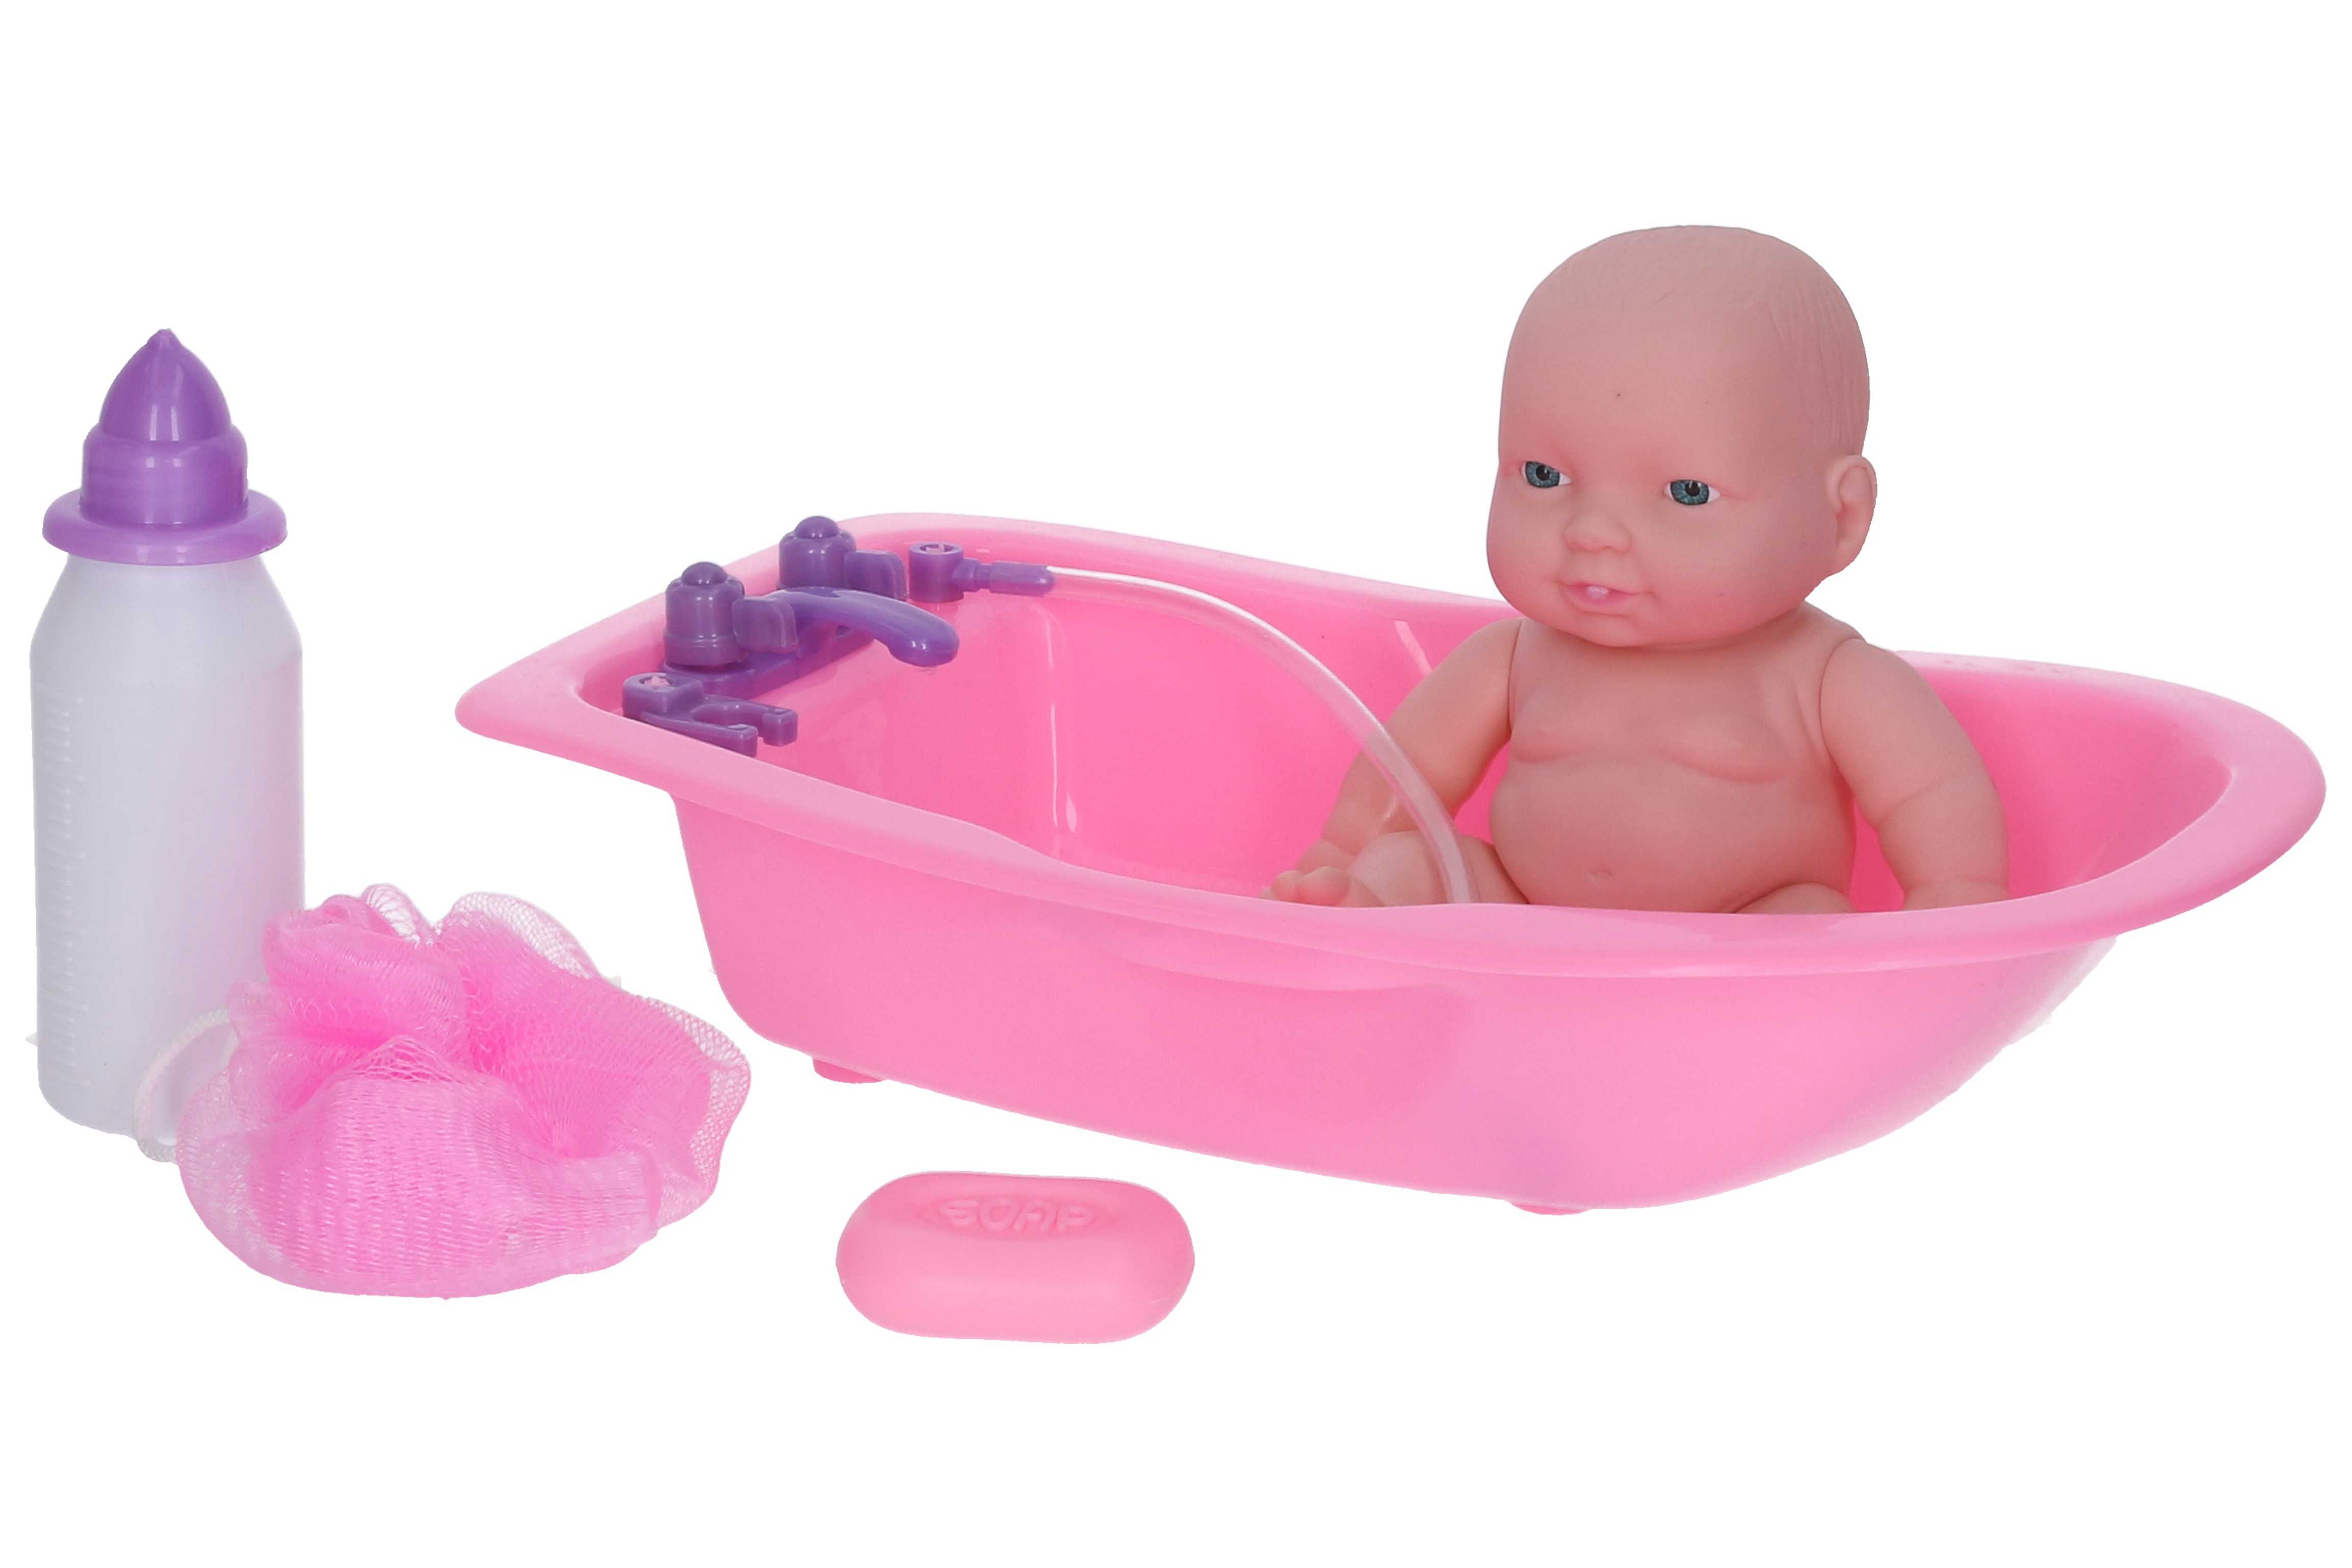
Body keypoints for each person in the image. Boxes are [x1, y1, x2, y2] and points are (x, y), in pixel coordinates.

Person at [1269, 227, 2007, 913]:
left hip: (1749, 931)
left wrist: (1954, 902)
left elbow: (1931, 792)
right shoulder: (1516, 656)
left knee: (1812, 920)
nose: (1592, 532)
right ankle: (1352, 919)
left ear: (1840, 516)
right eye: (1545, 476)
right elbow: (1410, 770)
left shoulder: (1826, 677)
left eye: (1687, 493)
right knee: (1410, 864)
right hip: (1521, 914)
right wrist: (1343, 855)